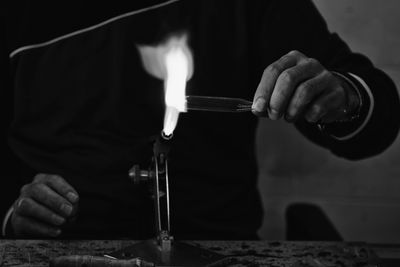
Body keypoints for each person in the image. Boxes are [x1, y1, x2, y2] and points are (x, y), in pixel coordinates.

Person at [1, 0, 399, 239]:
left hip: (217, 245)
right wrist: (13, 214)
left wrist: (345, 98)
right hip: (63, 248)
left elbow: (378, 115)